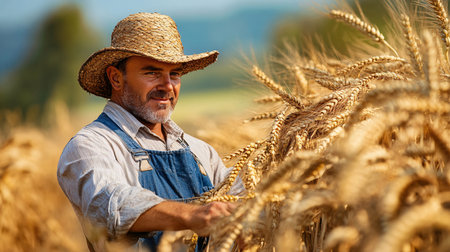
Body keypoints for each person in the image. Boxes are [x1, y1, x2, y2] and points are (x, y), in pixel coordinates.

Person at [57, 12, 242, 251]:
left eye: (174, 74)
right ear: (115, 77)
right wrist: (192, 216)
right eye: (152, 72)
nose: (167, 86)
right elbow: (111, 205)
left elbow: (244, 200)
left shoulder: (201, 152)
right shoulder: (90, 146)